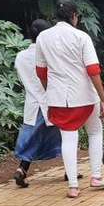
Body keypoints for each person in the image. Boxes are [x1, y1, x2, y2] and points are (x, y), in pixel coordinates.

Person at [34, 0, 104, 198]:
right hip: (86, 96)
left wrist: (50, 90)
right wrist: (103, 98)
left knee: (68, 139)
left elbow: (40, 71)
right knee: (95, 133)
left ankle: (73, 186)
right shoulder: (81, 37)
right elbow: (93, 70)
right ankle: (96, 177)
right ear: (74, 17)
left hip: (58, 98)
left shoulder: (43, 38)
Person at [12, 19, 61, 188]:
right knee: (67, 135)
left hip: (32, 103)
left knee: (33, 138)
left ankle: (22, 169)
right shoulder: (50, 55)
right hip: (52, 102)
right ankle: (71, 171)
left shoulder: (20, 57)